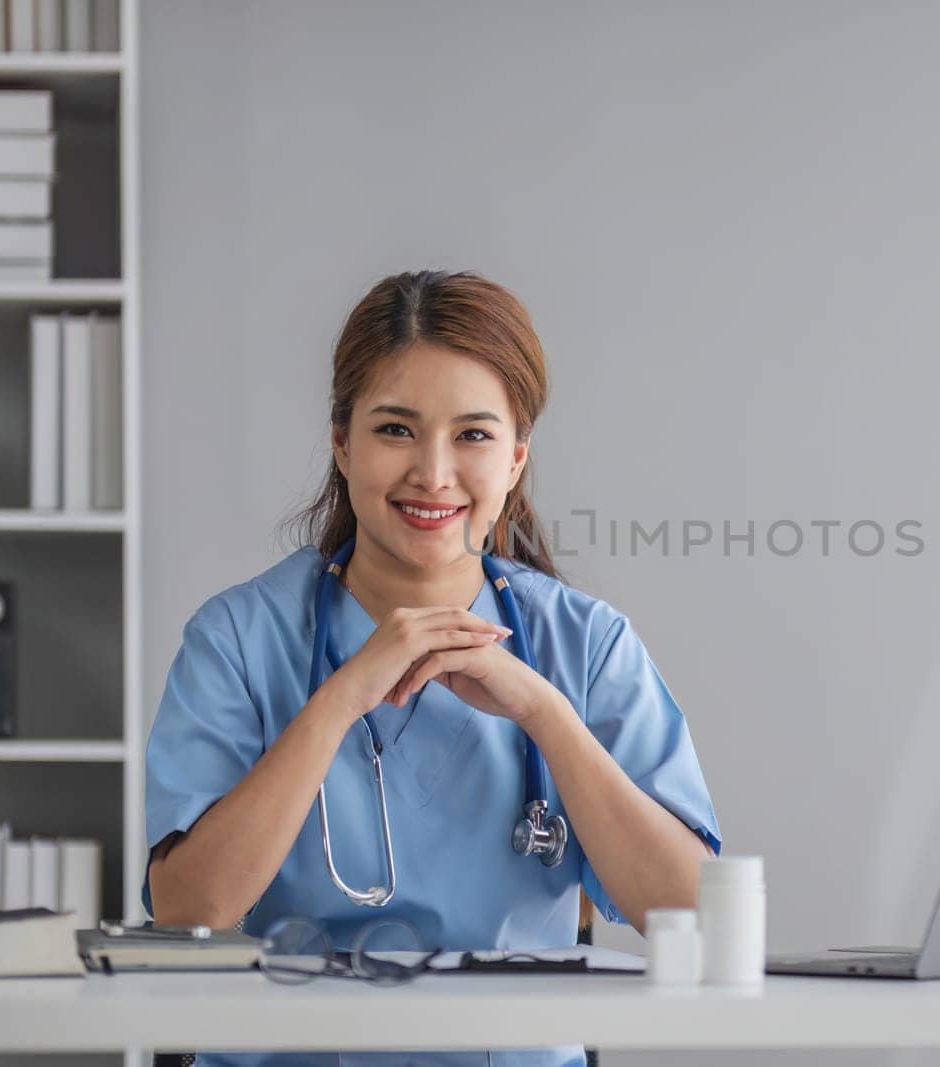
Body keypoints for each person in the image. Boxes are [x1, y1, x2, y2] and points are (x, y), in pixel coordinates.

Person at [143, 270, 722, 1066]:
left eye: (474, 436)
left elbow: (694, 914)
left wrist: (546, 714)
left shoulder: (585, 643)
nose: (434, 473)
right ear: (342, 443)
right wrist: (342, 696)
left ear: (517, 458)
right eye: (396, 430)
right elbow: (186, 910)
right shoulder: (239, 639)